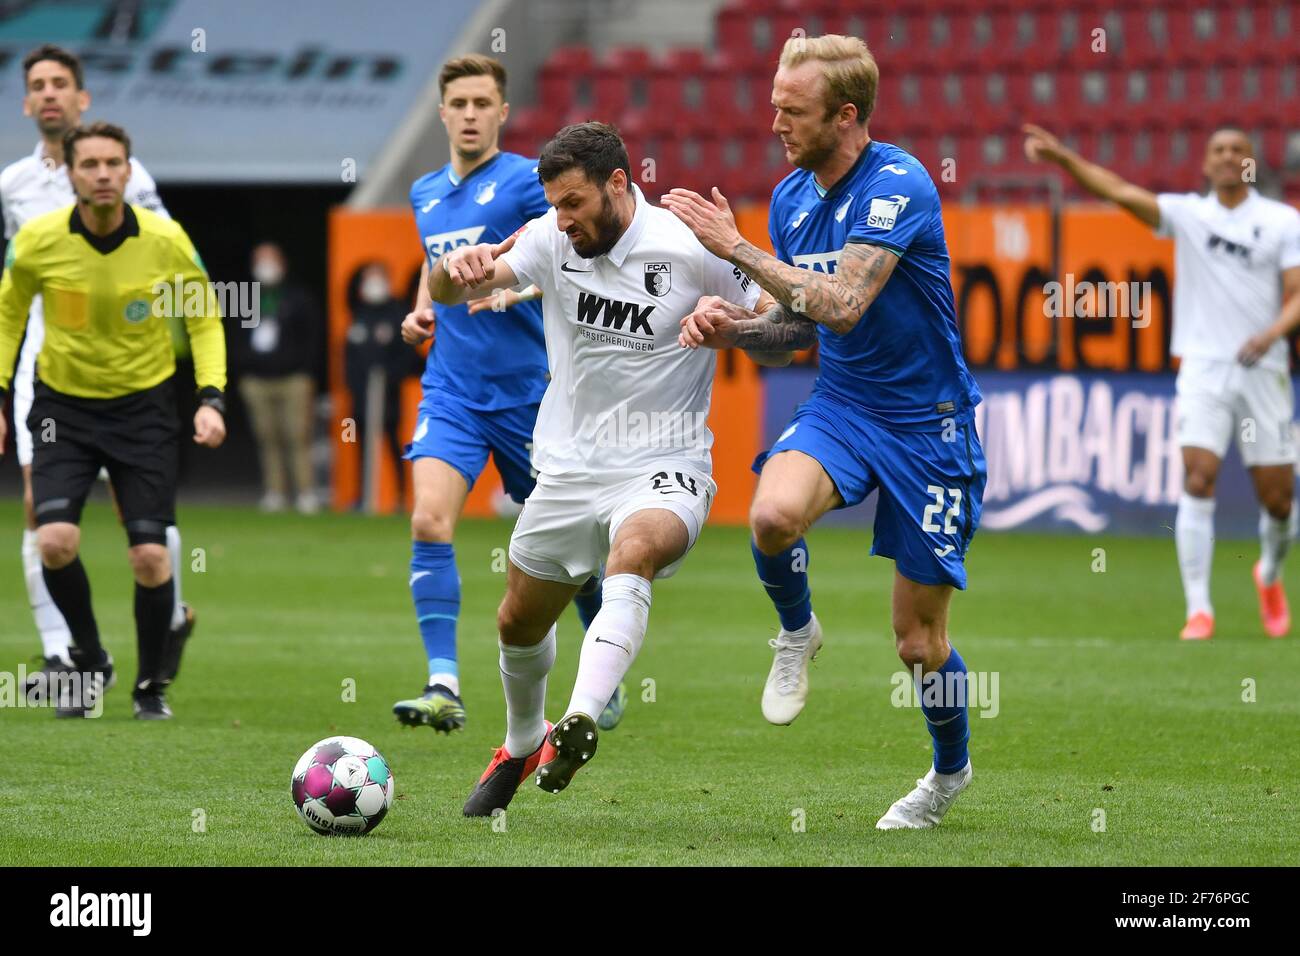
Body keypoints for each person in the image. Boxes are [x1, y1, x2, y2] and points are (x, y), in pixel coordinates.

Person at [664, 34, 984, 829]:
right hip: (844, 403)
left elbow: (842, 303)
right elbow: (796, 330)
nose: (776, 122)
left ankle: (948, 773)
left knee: (919, 644)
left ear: (846, 116)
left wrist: (734, 249)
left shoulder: (898, 185)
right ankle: (797, 630)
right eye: (774, 105)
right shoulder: (791, 196)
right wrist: (731, 328)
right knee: (771, 517)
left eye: (792, 110)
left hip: (928, 428)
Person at [419, 121, 764, 815]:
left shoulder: (689, 242)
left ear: (617, 183)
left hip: (666, 460)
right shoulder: (550, 238)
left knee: (632, 555)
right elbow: (455, 294)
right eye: (553, 204)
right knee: (517, 621)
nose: (562, 219)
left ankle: (577, 718)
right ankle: (522, 741)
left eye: (573, 202)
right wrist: (450, 271)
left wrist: (731, 324)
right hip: (570, 466)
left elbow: (783, 335)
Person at [392, 55, 617, 736]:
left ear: (502, 111)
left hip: (530, 396)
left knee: (570, 553)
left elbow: (573, 257)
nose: (468, 114)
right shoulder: (426, 191)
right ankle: (443, 684)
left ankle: (600, 678)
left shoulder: (526, 182)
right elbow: (440, 269)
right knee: (429, 521)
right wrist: (422, 309)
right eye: (457, 102)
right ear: (441, 112)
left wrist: (519, 289)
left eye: (481, 102)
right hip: (453, 391)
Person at [1024, 124, 1300, 640]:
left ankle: (1268, 573)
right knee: (1197, 477)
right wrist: (1063, 158)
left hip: (1264, 369)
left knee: (1280, 501)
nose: (1228, 156)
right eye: (1218, 149)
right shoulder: (1189, 216)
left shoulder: (1283, 222)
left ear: (1252, 163)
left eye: (1238, 149)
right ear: (1205, 164)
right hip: (1203, 366)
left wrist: (1271, 334)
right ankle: (1199, 608)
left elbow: (1297, 294)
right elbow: (1119, 191)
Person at [0, 122, 227, 719]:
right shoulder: (38, 240)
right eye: (90, 165)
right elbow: (8, 317)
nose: (102, 174)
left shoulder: (165, 238)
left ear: (129, 172)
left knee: (151, 557)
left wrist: (211, 396)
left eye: (113, 164)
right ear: (70, 174)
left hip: (143, 410)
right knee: (53, 540)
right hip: (62, 409)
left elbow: (204, 316)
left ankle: (150, 686)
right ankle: (91, 660)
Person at [235, 241, 321, 514]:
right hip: (257, 380)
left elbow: (313, 339)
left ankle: (305, 493)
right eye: (260, 261)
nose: (266, 267)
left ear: (282, 264)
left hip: (293, 379)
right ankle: (275, 492)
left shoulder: (298, 297)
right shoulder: (246, 298)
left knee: (297, 435)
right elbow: (233, 337)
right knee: (267, 437)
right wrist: (244, 370)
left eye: (270, 260)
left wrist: (307, 373)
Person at [344, 260, 420, 506]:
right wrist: (354, 386)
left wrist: (389, 377)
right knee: (361, 445)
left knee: (392, 443)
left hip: (388, 395)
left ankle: (400, 497)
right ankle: (363, 496)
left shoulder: (398, 312)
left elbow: (407, 355)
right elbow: (349, 357)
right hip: (361, 396)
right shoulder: (358, 312)